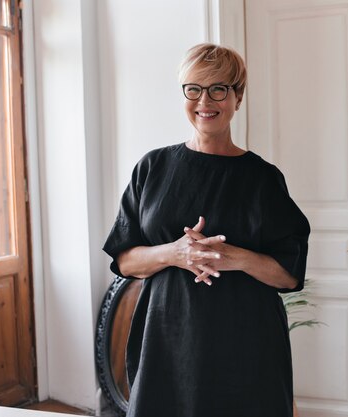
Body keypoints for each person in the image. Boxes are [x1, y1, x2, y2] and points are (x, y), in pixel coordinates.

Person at [102, 43, 310, 417]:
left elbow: (289, 274)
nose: (205, 100)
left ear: (237, 97)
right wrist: (174, 253)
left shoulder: (263, 179)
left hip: (246, 340)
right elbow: (124, 259)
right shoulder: (152, 168)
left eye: (219, 89)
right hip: (168, 336)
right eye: (194, 88)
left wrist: (237, 258)